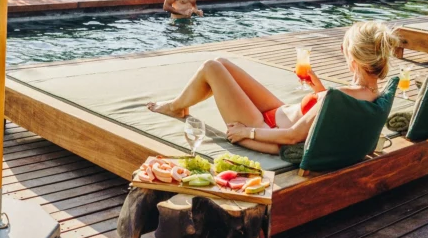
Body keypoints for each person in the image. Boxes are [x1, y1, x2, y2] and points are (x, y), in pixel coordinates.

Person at [147, 21, 398, 155]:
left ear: (353, 60)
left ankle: (174, 107)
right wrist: (318, 88)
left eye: (343, 48)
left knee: (212, 67)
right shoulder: (370, 95)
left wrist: (248, 132)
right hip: (279, 113)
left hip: (267, 129)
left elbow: (292, 137)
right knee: (222, 63)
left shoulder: (340, 96)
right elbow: (327, 114)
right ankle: (178, 105)